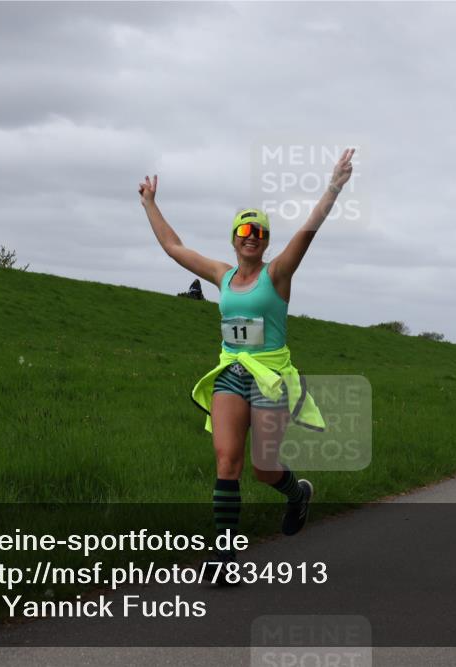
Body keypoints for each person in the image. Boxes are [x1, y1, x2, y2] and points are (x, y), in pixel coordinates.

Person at [138, 149, 355, 571]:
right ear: (234, 237)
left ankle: (297, 495)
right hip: (231, 376)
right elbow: (173, 246)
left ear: (266, 241)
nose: (252, 235)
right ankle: (224, 555)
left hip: (270, 378)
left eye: (259, 231)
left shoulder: (277, 275)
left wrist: (333, 187)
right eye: (245, 229)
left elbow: (308, 231)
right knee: (227, 462)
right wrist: (149, 202)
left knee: (264, 468)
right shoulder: (223, 276)